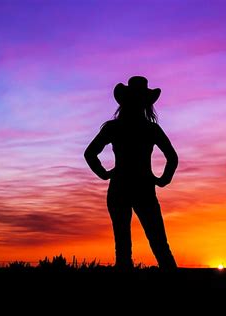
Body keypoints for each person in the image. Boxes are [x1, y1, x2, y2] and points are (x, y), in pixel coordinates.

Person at [84, 76, 178, 270]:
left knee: (124, 247)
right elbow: (172, 157)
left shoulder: (114, 127)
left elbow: (90, 153)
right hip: (143, 186)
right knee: (159, 242)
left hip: (120, 186)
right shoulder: (150, 128)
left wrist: (104, 173)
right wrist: (162, 179)